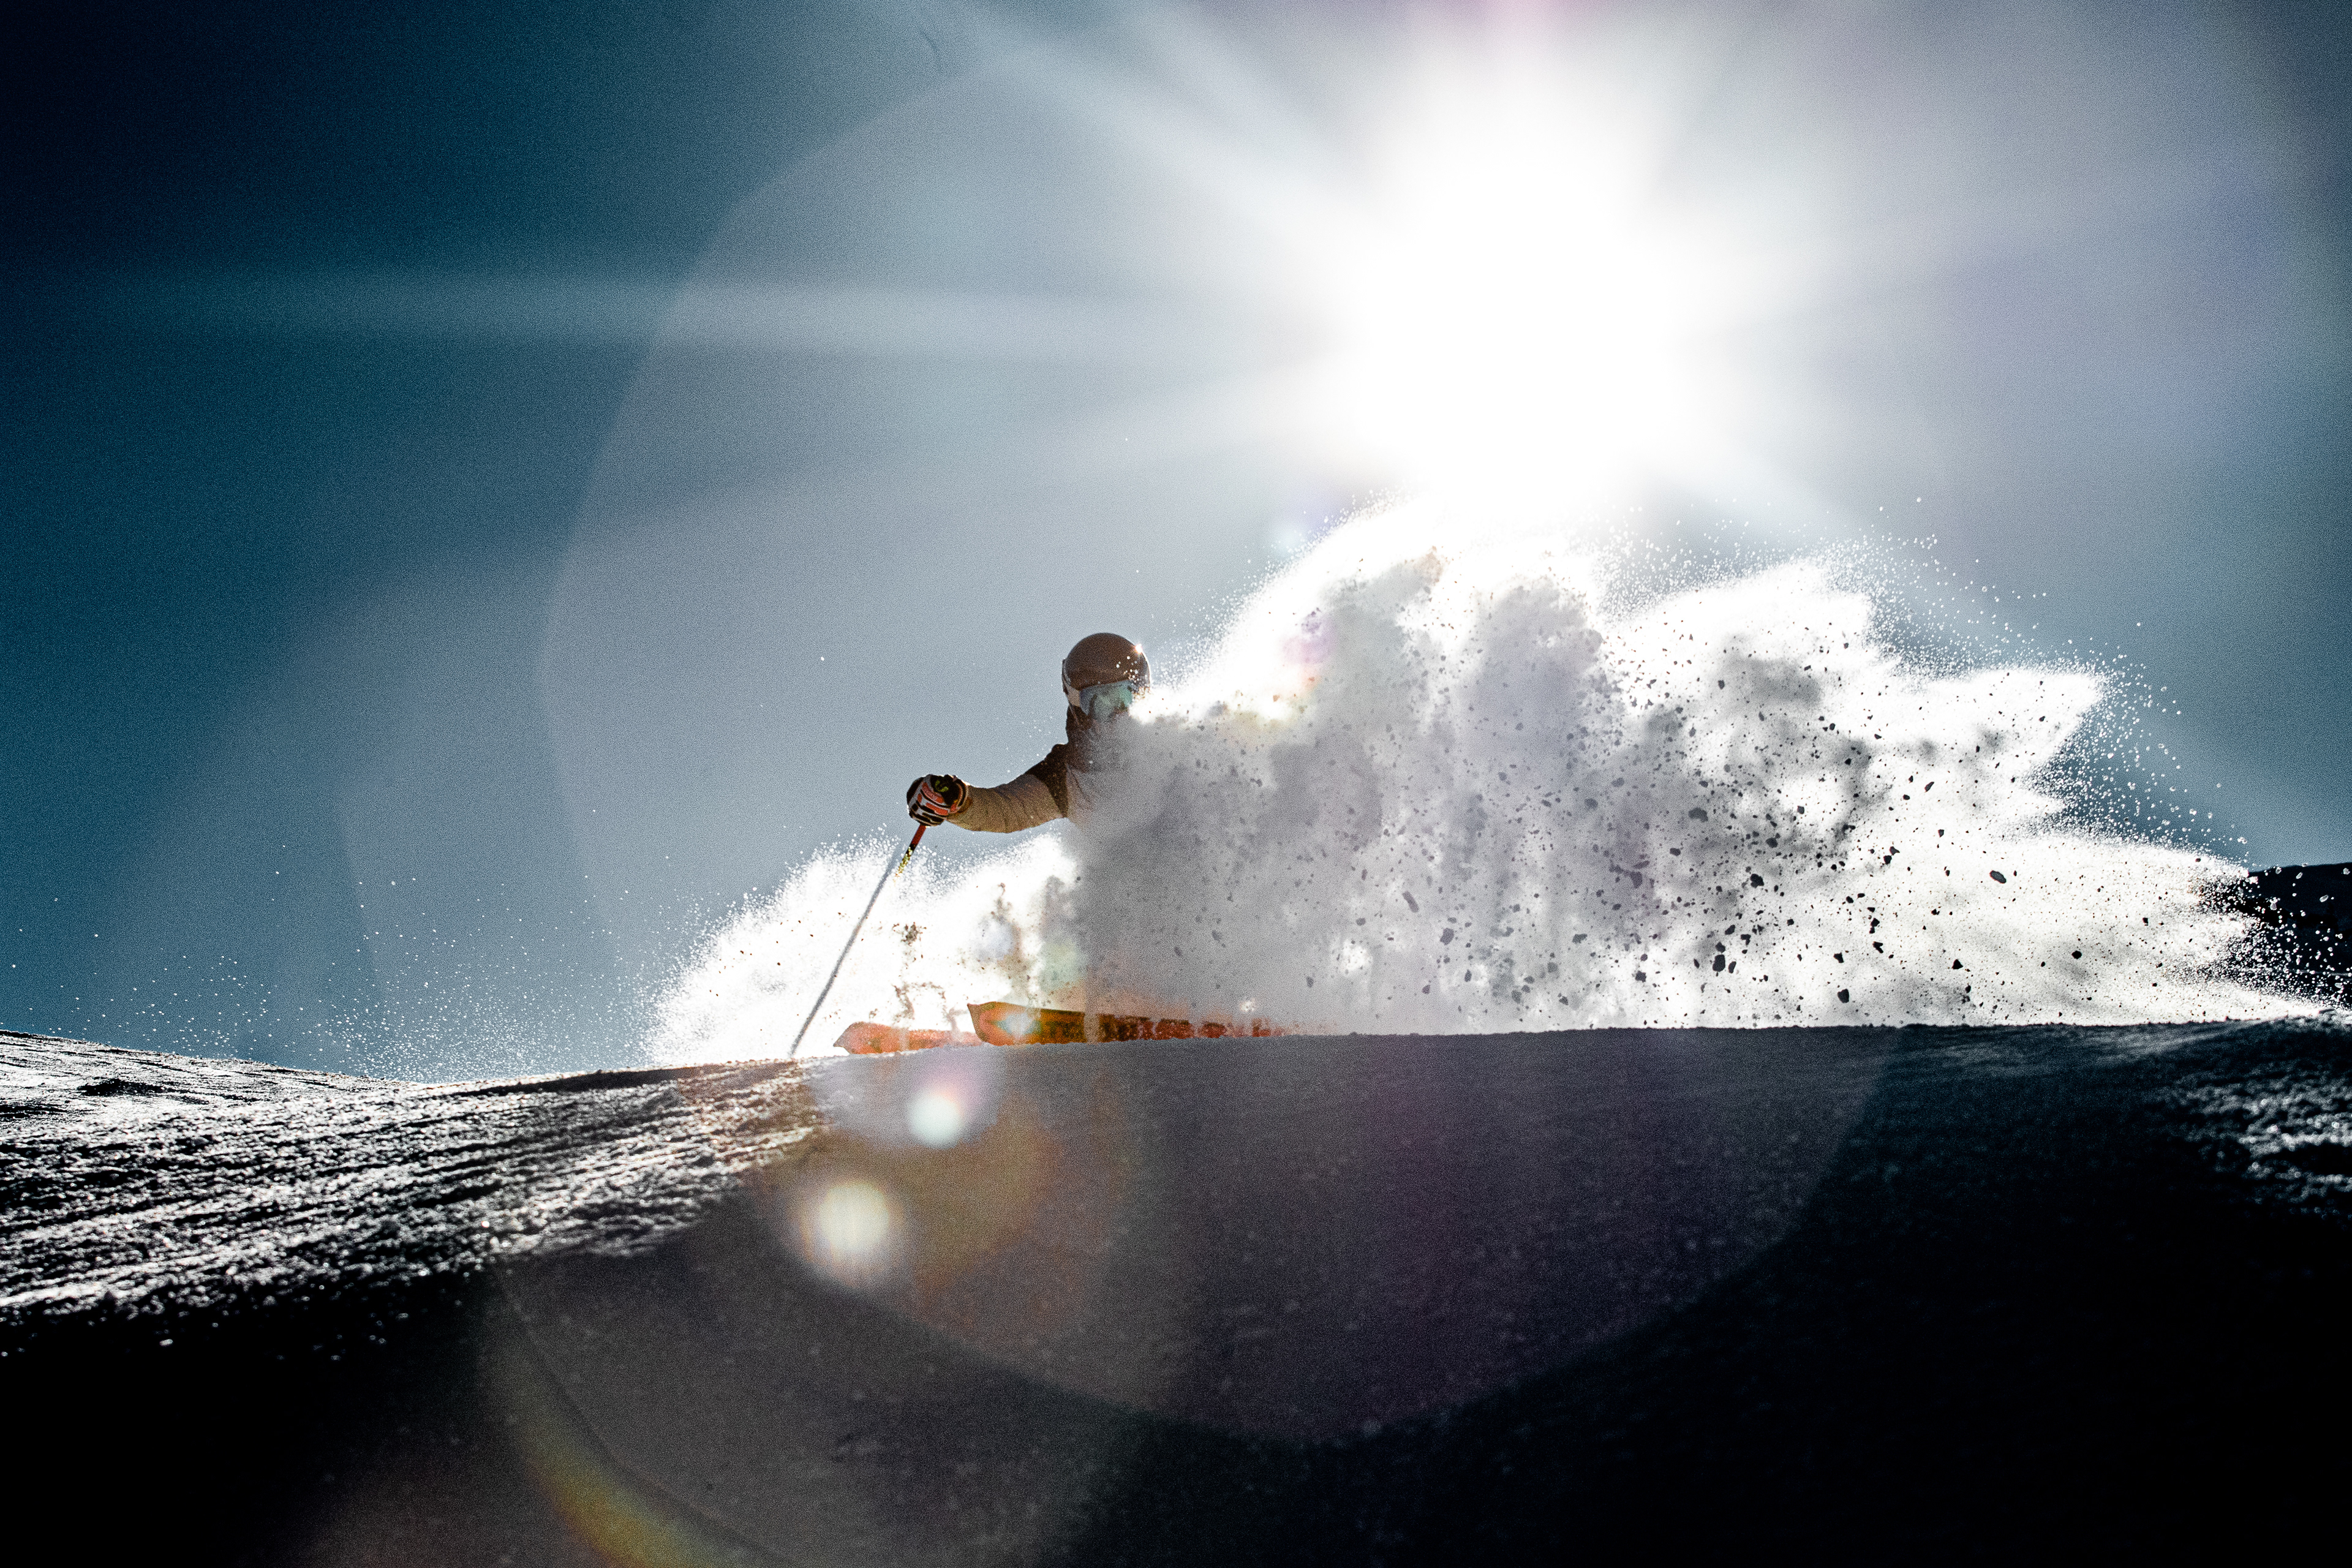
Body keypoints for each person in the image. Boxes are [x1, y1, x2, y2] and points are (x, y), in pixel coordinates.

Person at [907, 633, 1149, 833]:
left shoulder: (1180, 739)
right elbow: (1007, 810)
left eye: (1126, 697)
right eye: (1102, 703)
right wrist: (958, 801)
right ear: (1080, 711)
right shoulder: (1067, 778)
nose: (1120, 714)